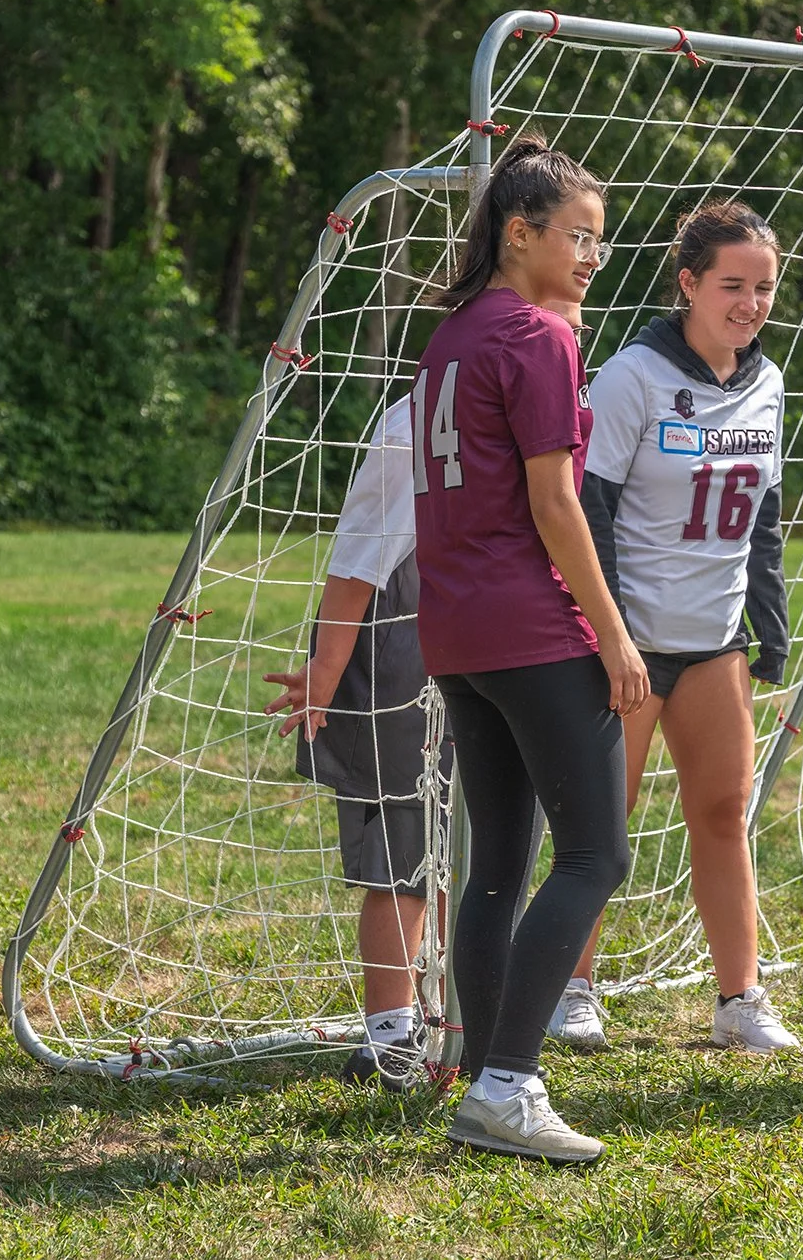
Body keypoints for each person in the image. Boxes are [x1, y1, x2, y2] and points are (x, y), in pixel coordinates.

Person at [262, 296, 593, 1093]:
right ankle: (390, 1032)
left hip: (479, 640)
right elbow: (355, 565)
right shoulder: (410, 425)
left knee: (473, 842)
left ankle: (460, 1020)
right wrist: (329, 670)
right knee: (399, 854)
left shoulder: (534, 416)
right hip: (394, 653)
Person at [412, 134, 647, 1164]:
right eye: (580, 236)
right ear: (521, 232)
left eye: (602, 239)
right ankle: (507, 1084)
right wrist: (613, 633)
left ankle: (480, 1074)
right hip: (533, 625)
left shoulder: (454, 332)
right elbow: (556, 506)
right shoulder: (536, 338)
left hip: (457, 629)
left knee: (500, 860)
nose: (594, 254)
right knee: (595, 854)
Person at [547, 198, 798, 1054]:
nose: (751, 303)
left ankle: (740, 999)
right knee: (599, 828)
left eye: (764, 286)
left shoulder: (766, 382)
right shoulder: (631, 376)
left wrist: (771, 627)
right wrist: (608, 634)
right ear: (688, 284)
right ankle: (570, 990)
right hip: (628, 642)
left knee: (725, 814)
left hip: (715, 640)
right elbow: (590, 509)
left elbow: (762, 516)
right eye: (733, 284)